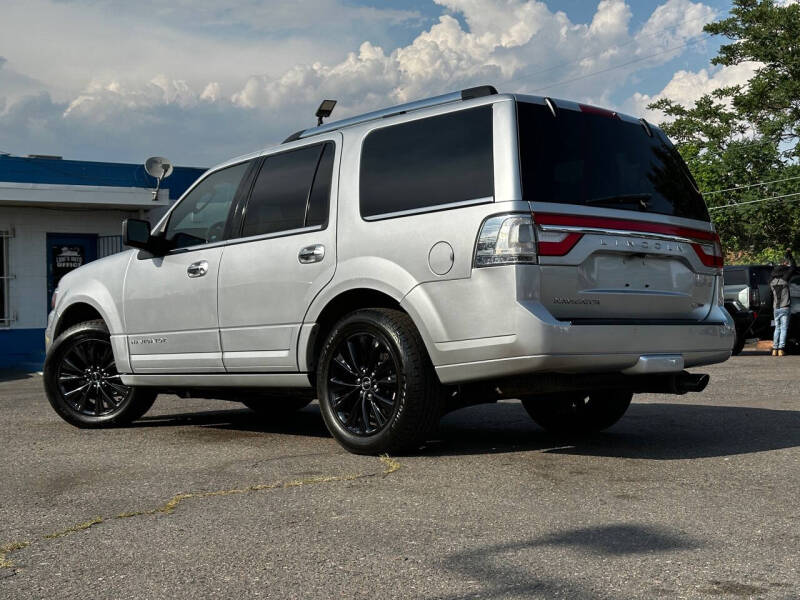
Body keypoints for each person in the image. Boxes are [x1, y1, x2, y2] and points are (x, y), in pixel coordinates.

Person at [769, 249, 797, 356]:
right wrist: (789, 255)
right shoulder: (785, 280)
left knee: (777, 328)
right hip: (785, 307)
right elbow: (793, 267)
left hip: (775, 308)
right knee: (784, 328)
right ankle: (781, 348)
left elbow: (772, 274)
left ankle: (774, 349)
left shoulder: (771, 282)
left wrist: (779, 266)